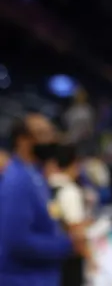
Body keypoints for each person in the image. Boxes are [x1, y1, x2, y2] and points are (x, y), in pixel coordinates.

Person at [0, 115, 86, 286]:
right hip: (23, 279)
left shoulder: (35, 176)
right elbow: (18, 241)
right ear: (23, 140)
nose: (51, 139)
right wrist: (67, 245)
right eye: (43, 134)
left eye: (51, 132)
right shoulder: (18, 181)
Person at [47, 143, 90, 286]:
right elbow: (75, 229)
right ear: (75, 164)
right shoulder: (70, 191)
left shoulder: (45, 187)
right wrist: (90, 258)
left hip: (51, 257)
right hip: (70, 258)